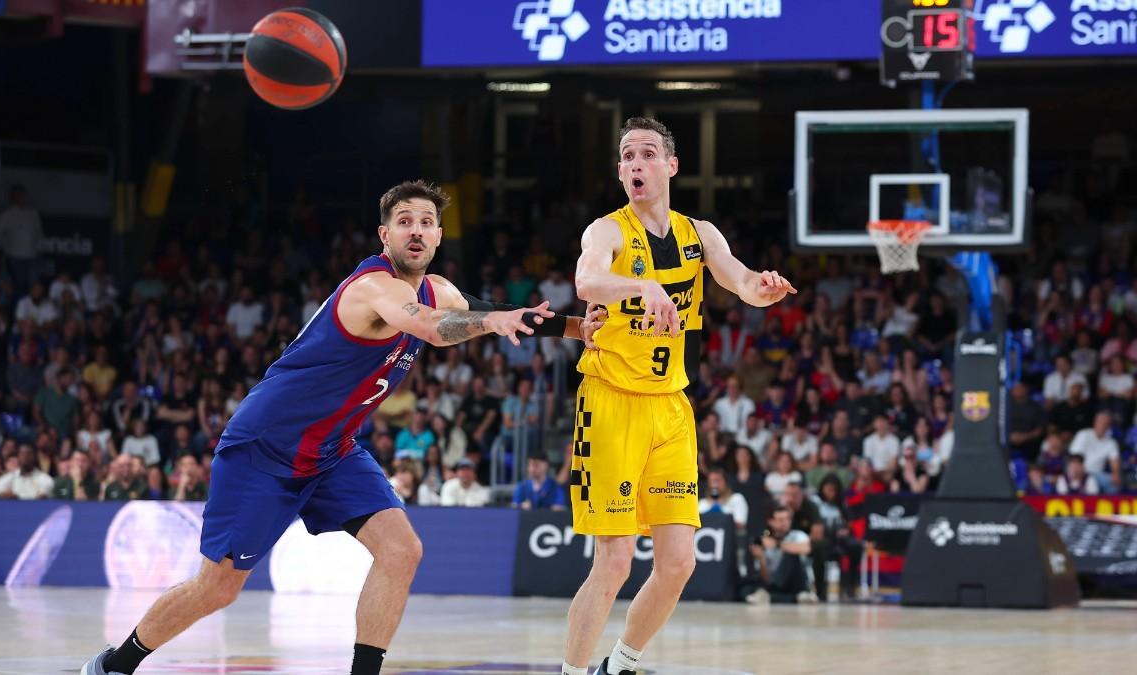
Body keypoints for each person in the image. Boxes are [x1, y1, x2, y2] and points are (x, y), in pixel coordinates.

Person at [81, 181, 603, 675]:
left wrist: (581, 328)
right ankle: (113, 664)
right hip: (265, 448)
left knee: (403, 550)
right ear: (386, 235)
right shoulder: (374, 286)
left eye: (427, 221)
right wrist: (492, 324)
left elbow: (498, 311)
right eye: (404, 221)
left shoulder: (440, 290)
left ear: (440, 236)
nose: (416, 230)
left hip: (331, 451)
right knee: (218, 588)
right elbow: (430, 328)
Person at [565, 117, 795, 675]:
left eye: (647, 154)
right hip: (612, 399)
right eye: (626, 156)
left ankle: (618, 666)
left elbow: (738, 282)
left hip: (671, 407)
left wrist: (761, 290)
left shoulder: (701, 234)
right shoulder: (607, 231)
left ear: (670, 166)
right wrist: (640, 286)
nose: (635, 164)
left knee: (678, 563)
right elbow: (587, 282)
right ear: (621, 171)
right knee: (614, 562)